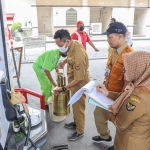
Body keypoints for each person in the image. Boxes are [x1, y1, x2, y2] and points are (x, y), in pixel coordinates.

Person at [96, 51, 150, 150]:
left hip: (128, 144)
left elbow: (120, 123)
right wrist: (107, 93)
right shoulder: (144, 85)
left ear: (139, 68)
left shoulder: (138, 98)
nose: (124, 71)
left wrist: (106, 109)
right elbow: (124, 97)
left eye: (126, 68)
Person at [92, 22, 134, 146]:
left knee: (121, 125)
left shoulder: (130, 55)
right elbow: (109, 71)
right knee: (98, 115)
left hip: (119, 98)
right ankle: (105, 136)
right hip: (106, 93)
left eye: (110, 37)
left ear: (120, 36)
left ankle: (118, 146)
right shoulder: (112, 50)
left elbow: (129, 86)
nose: (107, 39)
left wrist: (114, 96)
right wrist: (104, 86)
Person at [53, 29, 90, 141]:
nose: (59, 48)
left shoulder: (78, 55)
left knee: (79, 107)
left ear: (67, 41)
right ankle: (75, 123)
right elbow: (70, 56)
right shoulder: (73, 44)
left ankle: (80, 131)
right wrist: (63, 62)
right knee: (74, 104)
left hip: (79, 84)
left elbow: (79, 79)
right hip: (74, 81)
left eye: (60, 45)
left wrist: (63, 88)